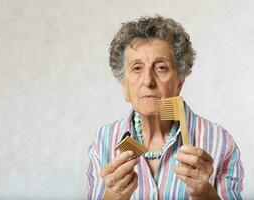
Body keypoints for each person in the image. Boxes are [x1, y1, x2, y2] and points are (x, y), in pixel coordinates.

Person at [87, 16, 244, 200]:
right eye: (137, 68)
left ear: (179, 82)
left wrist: (204, 193)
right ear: (124, 85)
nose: (148, 81)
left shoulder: (220, 142)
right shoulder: (103, 142)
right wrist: (112, 196)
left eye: (161, 68)